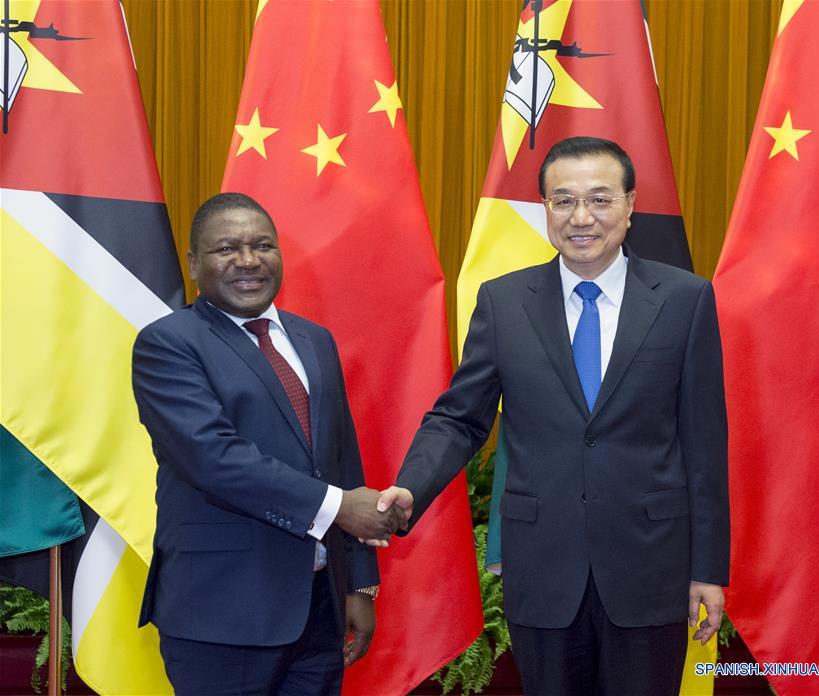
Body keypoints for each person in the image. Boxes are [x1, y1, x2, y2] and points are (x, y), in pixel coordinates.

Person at [378, 137, 730, 695]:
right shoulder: (503, 301)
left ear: (630, 204)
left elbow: (705, 444)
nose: (581, 217)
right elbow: (460, 418)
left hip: (650, 567)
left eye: (599, 199)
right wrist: (410, 487)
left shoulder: (685, 300)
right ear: (544, 207)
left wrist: (708, 570)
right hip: (542, 566)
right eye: (563, 201)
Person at [132, 193, 402, 695]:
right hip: (220, 615)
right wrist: (339, 507)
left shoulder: (313, 339)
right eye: (226, 249)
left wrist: (360, 583)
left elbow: (342, 460)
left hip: (318, 609)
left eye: (262, 246)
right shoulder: (168, 343)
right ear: (194, 264)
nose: (248, 261)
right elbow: (214, 459)